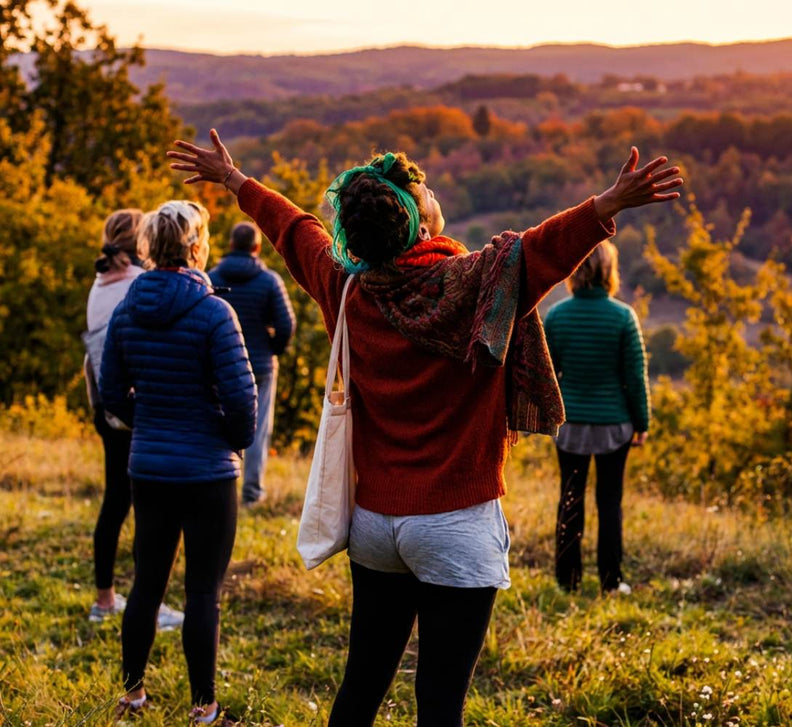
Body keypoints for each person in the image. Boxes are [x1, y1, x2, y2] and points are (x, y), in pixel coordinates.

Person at [168, 130, 681, 726]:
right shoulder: (479, 285)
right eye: (423, 191)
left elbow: (295, 229)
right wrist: (607, 205)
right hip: (457, 523)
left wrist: (235, 181)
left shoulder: (347, 286)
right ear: (418, 222)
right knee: (439, 703)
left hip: (376, 526)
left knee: (360, 687)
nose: (430, 189)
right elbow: (544, 248)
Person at [100, 200, 257, 723]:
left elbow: (110, 392)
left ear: (149, 246)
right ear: (196, 246)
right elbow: (241, 400)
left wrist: (147, 419)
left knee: (146, 583)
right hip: (208, 471)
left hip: (149, 467)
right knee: (202, 593)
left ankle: (132, 694)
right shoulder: (215, 312)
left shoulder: (128, 308)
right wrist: (229, 439)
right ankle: (204, 705)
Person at [83, 209, 184, 632]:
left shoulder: (99, 283)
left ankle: (105, 598)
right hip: (136, 410)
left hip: (105, 410)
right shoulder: (136, 285)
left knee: (114, 503)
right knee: (148, 510)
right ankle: (150, 602)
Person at [544, 241, 649, 594]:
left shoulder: (557, 315)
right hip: (613, 426)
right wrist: (642, 423)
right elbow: (634, 378)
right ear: (609, 270)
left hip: (570, 425)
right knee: (610, 502)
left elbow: (548, 375)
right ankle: (610, 580)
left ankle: (567, 580)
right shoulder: (623, 317)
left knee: (570, 499)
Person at [209, 222, 296, 506]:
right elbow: (286, 324)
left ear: (232, 245)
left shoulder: (211, 278)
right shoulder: (269, 281)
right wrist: (273, 350)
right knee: (258, 429)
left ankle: (220, 485)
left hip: (219, 365)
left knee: (219, 423)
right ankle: (252, 492)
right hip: (259, 363)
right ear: (256, 248)